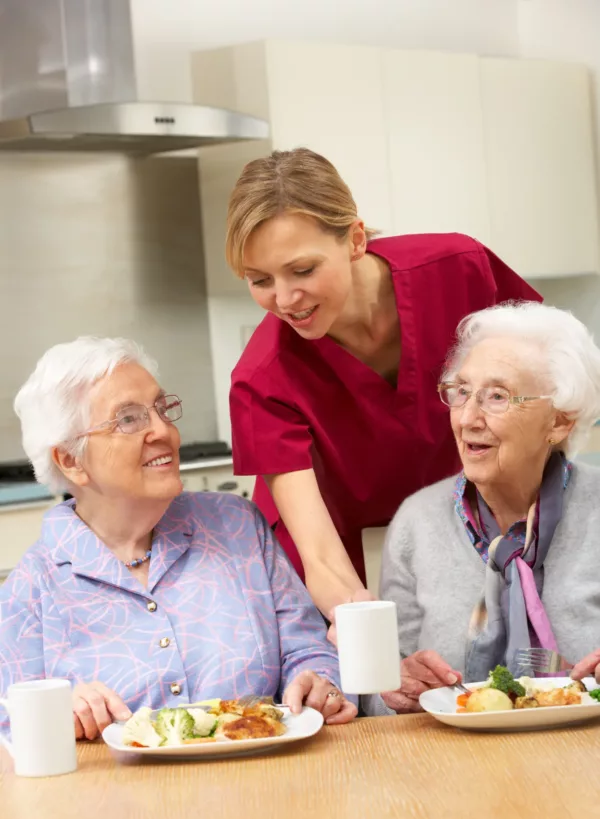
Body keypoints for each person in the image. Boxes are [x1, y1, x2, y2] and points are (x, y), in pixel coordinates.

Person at [226, 147, 542, 621]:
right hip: (338, 556)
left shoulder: (460, 270)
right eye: (259, 280)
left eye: (303, 270)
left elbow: (548, 381)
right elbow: (321, 558)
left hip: (471, 522)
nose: (285, 299)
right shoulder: (261, 380)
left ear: (354, 239)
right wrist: (367, 632)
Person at [0, 337, 357, 740]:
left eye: (161, 408)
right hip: (117, 800)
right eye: (129, 419)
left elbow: (308, 649)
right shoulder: (30, 590)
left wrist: (317, 682)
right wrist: (52, 716)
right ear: (70, 460)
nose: (163, 431)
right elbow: (9, 734)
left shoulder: (236, 525)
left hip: (261, 783)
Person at [366, 302, 600, 715]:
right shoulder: (417, 521)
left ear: (559, 422)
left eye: (497, 396)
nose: (468, 418)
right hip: (452, 764)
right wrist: (395, 690)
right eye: (460, 392)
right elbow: (377, 690)